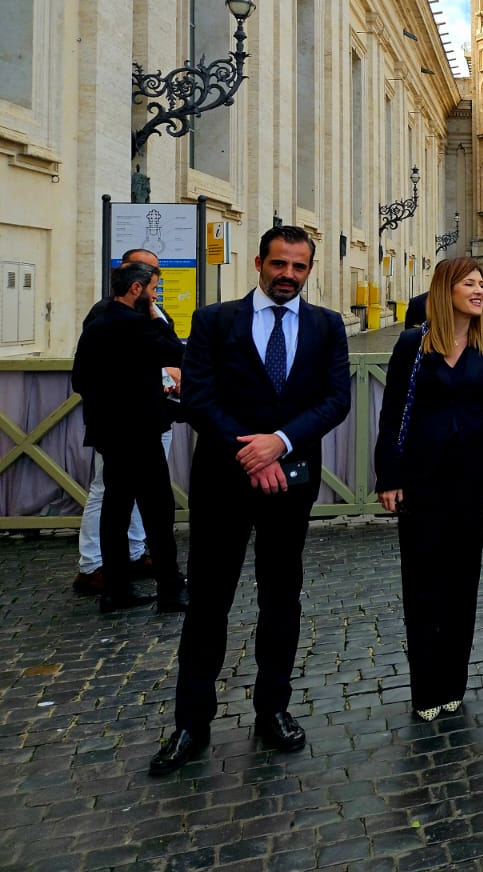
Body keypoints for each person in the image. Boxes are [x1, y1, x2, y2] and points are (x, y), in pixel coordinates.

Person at [150, 226, 351, 777]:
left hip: (292, 480)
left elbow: (336, 400)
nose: (288, 274)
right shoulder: (215, 321)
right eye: (279, 264)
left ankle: (273, 710)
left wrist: (279, 444)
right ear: (259, 262)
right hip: (224, 479)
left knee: (281, 597)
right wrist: (251, 451)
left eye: (300, 267)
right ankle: (191, 722)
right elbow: (199, 395)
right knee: (209, 603)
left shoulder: (326, 326)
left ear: (310, 271)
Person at [375, 257, 483, 720]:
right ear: (445, 289)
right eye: (470, 283)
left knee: (462, 585)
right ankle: (425, 687)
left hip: (471, 483)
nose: (479, 291)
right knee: (422, 584)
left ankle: (453, 681)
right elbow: (392, 414)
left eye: (482, 284)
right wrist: (388, 475)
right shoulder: (413, 345)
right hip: (420, 480)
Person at [72, 261, 187, 614]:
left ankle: (116, 590)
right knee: (158, 511)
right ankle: (170, 590)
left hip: (108, 432)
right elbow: (175, 351)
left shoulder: (97, 322)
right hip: (140, 430)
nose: (155, 297)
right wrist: (156, 316)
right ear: (136, 289)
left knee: (115, 509)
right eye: (153, 290)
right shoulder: (137, 325)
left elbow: (80, 380)